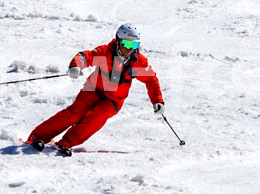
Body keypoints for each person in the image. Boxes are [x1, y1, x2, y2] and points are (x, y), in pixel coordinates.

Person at [28, 24, 165, 156]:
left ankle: (67, 142)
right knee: (75, 113)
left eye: (134, 45)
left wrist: (158, 101)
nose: (130, 49)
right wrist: (75, 66)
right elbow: (84, 57)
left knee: (99, 115)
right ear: (118, 41)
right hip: (93, 90)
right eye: (127, 44)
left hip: (114, 100)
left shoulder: (138, 62)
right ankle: (37, 136)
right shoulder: (105, 52)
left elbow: (151, 80)